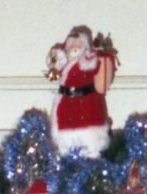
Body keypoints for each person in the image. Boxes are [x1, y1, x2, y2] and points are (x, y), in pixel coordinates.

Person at [47, 26, 116, 158]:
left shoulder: (90, 60)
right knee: (64, 143)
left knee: (91, 142)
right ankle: (64, 153)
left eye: (78, 44)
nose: (74, 47)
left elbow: (101, 81)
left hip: (86, 108)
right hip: (65, 109)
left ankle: (92, 154)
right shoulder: (62, 62)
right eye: (71, 44)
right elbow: (52, 64)